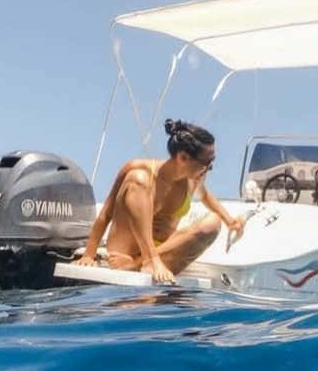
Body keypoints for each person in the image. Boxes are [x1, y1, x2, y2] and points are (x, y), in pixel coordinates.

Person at [77, 118, 244, 284]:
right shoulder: (138, 169)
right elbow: (106, 214)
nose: (209, 168)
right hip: (124, 256)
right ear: (183, 157)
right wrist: (89, 255)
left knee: (213, 222)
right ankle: (148, 260)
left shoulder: (194, 179)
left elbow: (205, 196)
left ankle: (141, 263)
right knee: (138, 179)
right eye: (207, 162)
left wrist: (230, 221)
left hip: (159, 258)